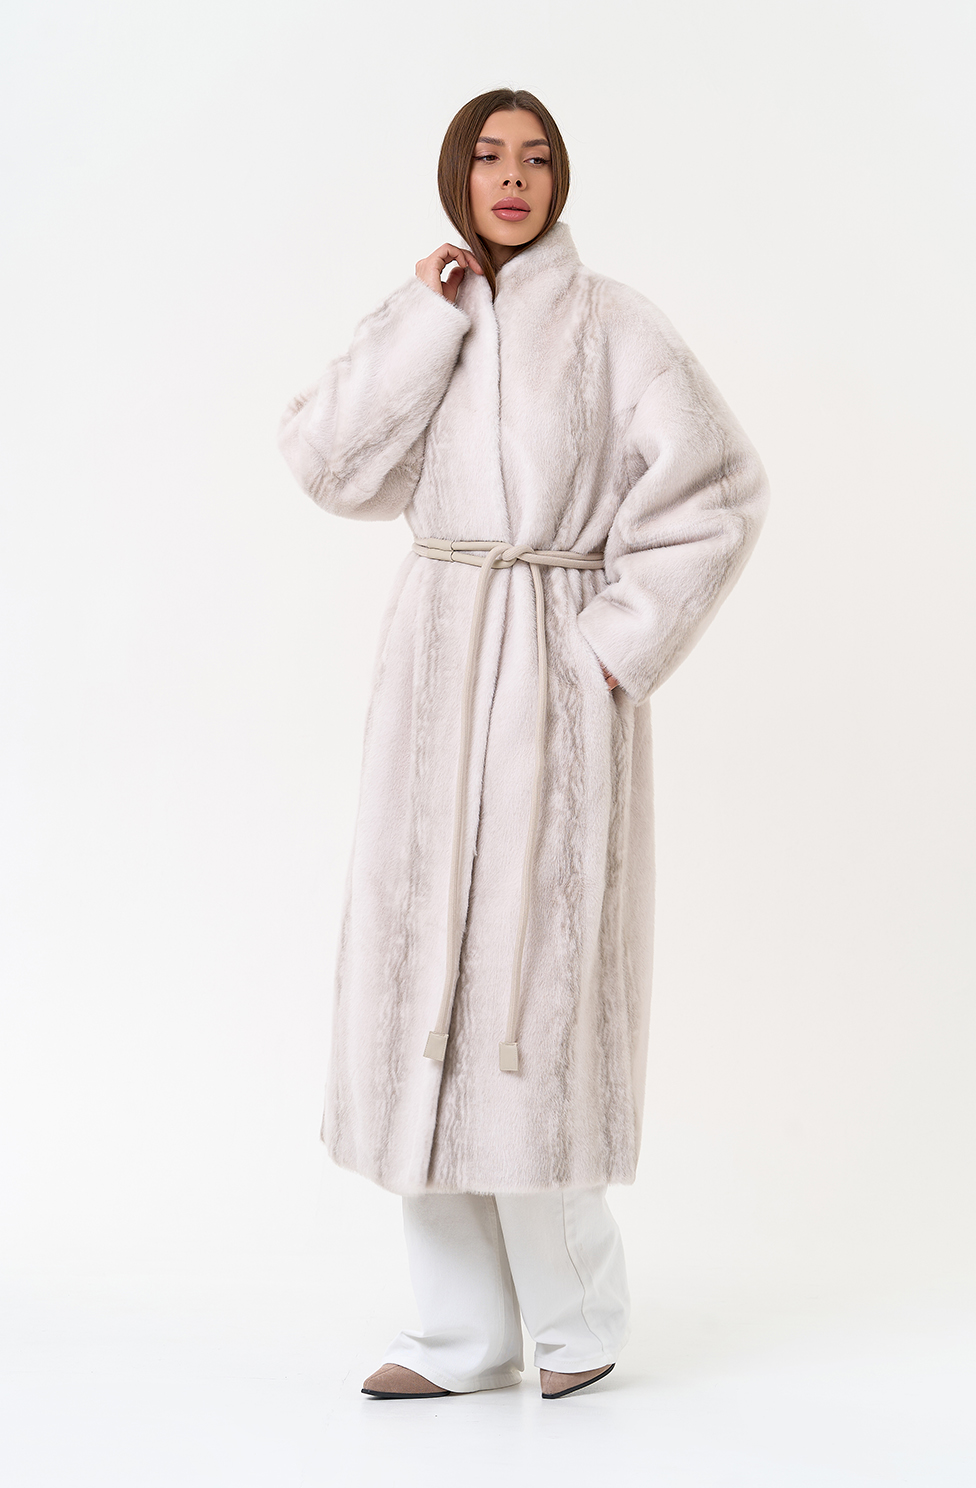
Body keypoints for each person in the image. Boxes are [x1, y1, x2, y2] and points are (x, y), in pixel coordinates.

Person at [278, 88, 770, 1402]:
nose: (513, 177)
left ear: (561, 179)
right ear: (457, 177)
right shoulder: (431, 323)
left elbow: (721, 485)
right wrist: (422, 319)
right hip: (434, 680)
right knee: (418, 1004)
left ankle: (577, 1322)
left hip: (552, 683)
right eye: (489, 157)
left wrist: (611, 647)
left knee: (530, 999)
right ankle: (457, 1333)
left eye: (536, 157)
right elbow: (329, 466)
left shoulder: (616, 326)